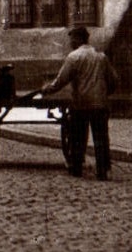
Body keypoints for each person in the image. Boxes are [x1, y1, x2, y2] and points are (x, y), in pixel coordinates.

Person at [39, 25, 117, 180]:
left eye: (72, 39)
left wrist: (47, 89)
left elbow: (62, 80)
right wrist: (105, 94)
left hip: (81, 104)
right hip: (100, 104)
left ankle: (76, 168)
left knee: (78, 137)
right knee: (101, 138)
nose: (70, 43)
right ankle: (102, 170)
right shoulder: (101, 57)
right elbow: (113, 79)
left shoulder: (74, 57)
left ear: (78, 39)